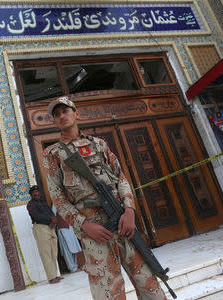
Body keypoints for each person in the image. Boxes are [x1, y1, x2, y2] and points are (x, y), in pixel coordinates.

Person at [43, 96, 167, 299]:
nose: (61, 116)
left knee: (149, 283)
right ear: (54, 121)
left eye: (65, 111)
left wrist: (129, 210)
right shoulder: (52, 153)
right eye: (56, 114)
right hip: (94, 231)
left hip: (122, 222)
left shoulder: (99, 144)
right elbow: (58, 197)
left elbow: (121, 177)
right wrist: (84, 225)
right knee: (108, 292)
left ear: (76, 114)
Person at [26, 185, 63, 284]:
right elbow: (36, 216)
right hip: (41, 228)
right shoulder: (30, 204)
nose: (37, 193)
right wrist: (51, 219)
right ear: (31, 195)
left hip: (50, 227)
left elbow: (50, 213)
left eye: (38, 191)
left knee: (53, 252)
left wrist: (53, 220)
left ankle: (55, 275)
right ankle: (51, 278)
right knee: (46, 254)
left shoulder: (43, 202)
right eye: (34, 192)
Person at [52, 205, 82, 273]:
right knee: (67, 249)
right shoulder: (54, 204)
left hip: (70, 226)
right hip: (62, 228)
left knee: (74, 247)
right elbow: (53, 216)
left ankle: (75, 266)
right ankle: (72, 268)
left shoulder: (66, 200)